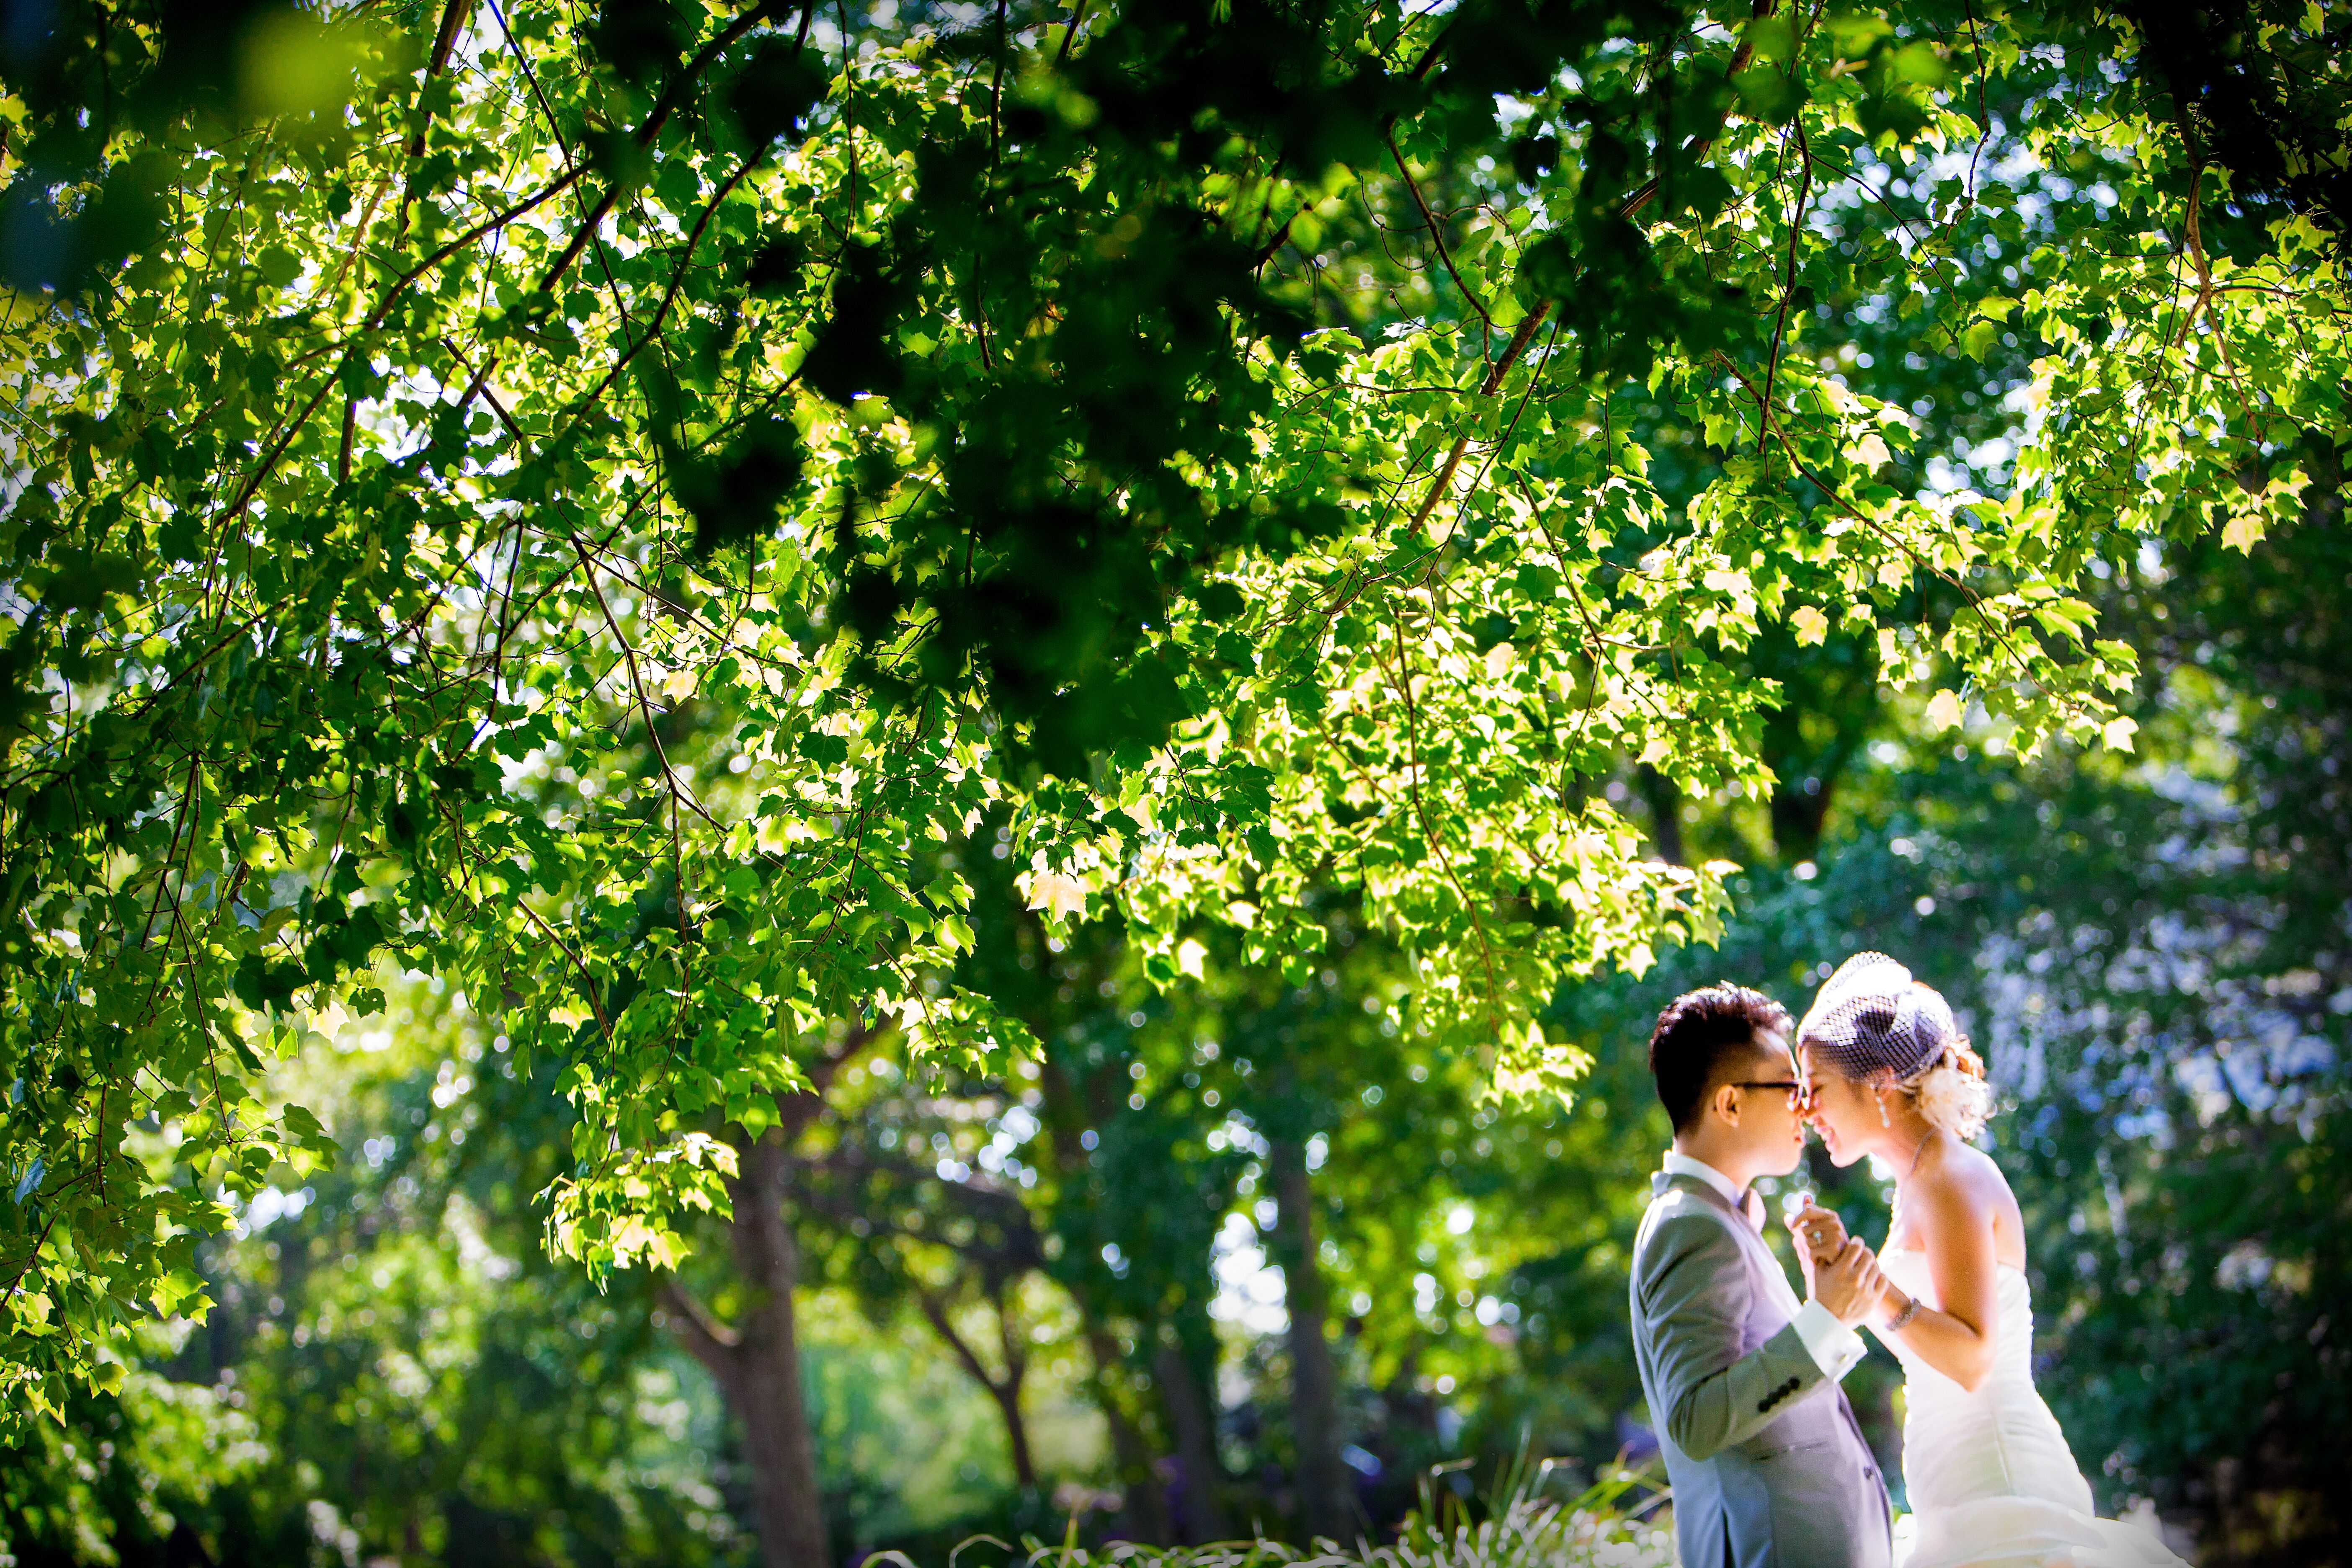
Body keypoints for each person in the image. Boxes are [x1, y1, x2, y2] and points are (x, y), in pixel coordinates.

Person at [1791, 952, 2190, 1568]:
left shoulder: (1950, 1177)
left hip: (2000, 1485)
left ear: (1877, 1083)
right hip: (1954, 1484)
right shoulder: (1920, 1182)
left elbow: (1974, 1358)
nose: (1805, 1111)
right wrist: (1841, 1280)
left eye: (1814, 1088)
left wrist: (1874, 1290)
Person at [1630, 983, 1896, 1568]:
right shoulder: (1690, 1225)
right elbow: (1696, 1421)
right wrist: (1827, 1319)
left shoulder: (1718, 1216)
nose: (1805, 1105)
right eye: (1789, 1086)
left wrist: (1819, 1300)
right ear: (1730, 1104)